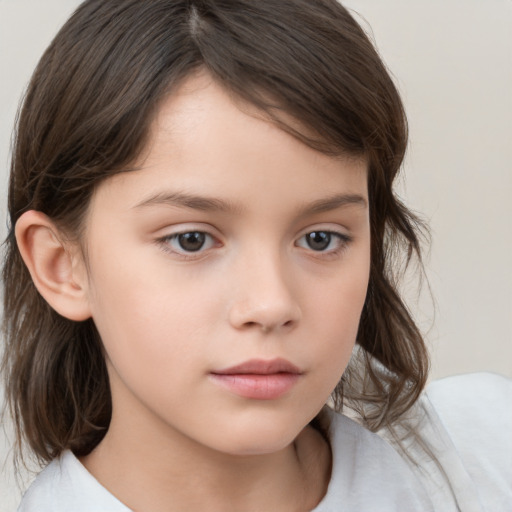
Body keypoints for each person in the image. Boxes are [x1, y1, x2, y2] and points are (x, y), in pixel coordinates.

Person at [1, 0, 510, 511]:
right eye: (191, 240)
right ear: (61, 266)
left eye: (320, 238)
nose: (270, 304)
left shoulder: (486, 457)